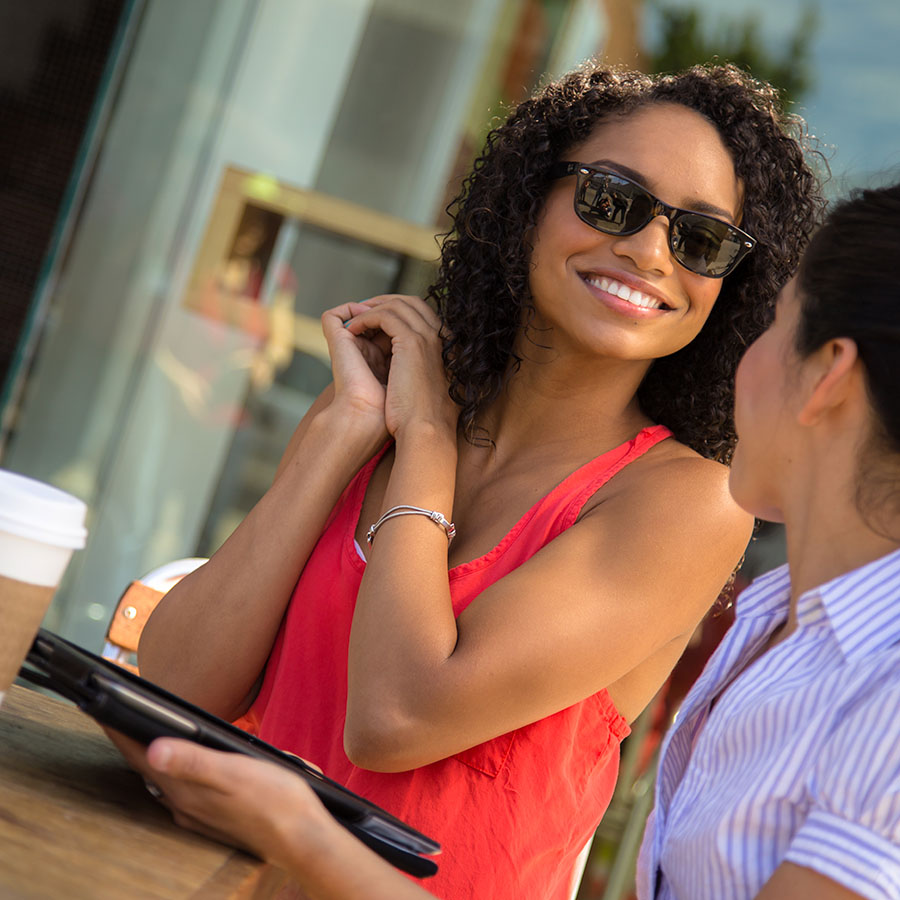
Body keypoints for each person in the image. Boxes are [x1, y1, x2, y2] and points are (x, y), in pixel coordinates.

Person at [135, 62, 822, 899]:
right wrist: (342, 432)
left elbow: (396, 719)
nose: (647, 251)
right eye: (613, 198)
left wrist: (424, 435)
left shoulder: (686, 502)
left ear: (730, 284)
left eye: (701, 239)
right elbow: (174, 690)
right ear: (530, 197)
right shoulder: (389, 405)